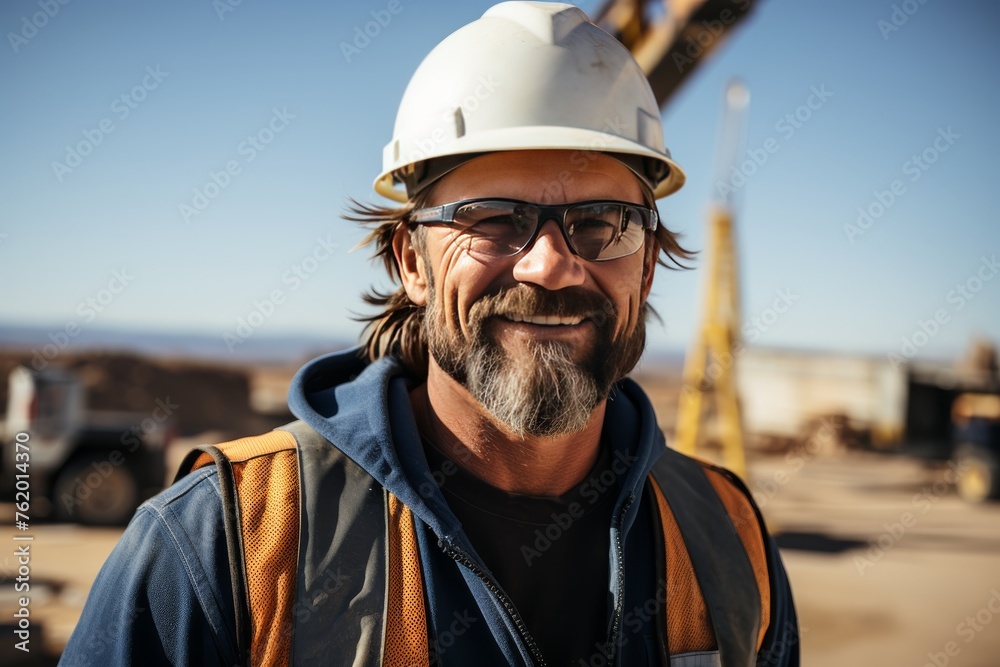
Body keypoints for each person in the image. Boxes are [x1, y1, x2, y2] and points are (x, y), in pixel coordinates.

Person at [61, 3, 798, 665]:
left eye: (601, 223)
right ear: (411, 260)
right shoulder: (225, 545)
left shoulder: (726, 538)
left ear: (644, 269)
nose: (550, 266)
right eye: (494, 219)